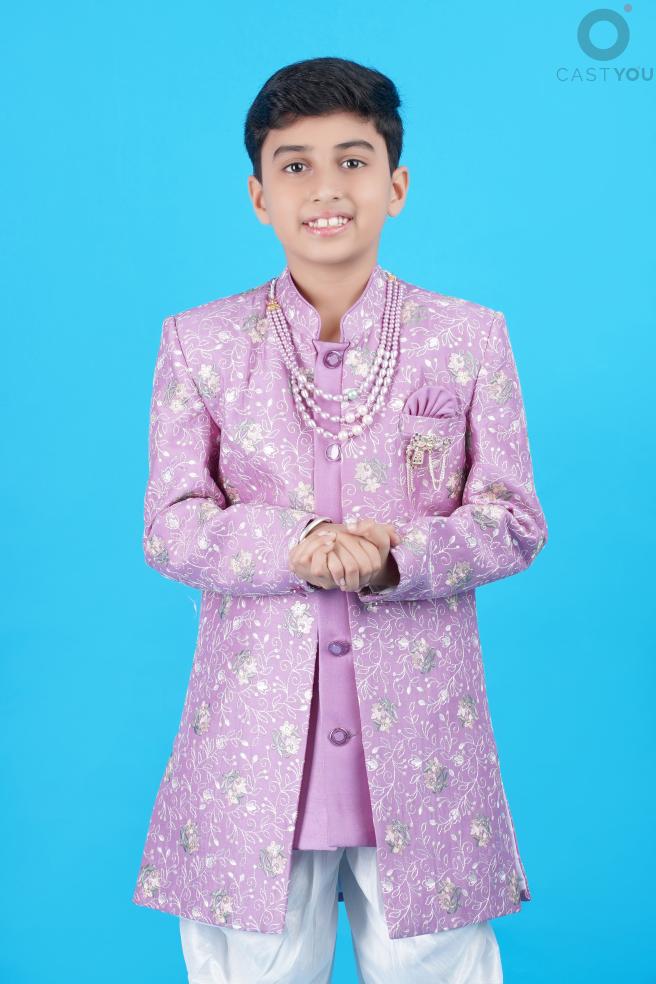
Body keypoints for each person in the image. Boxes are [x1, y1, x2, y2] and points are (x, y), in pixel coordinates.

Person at [132, 56, 548, 984]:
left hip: (425, 744)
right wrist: (293, 545)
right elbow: (171, 523)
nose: (326, 189)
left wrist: (400, 555)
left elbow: (514, 517)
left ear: (396, 186)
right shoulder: (199, 342)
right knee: (254, 968)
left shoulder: (468, 336)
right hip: (252, 747)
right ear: (259, 196)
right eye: (296, 165)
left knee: (435, 966)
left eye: (354, 162)